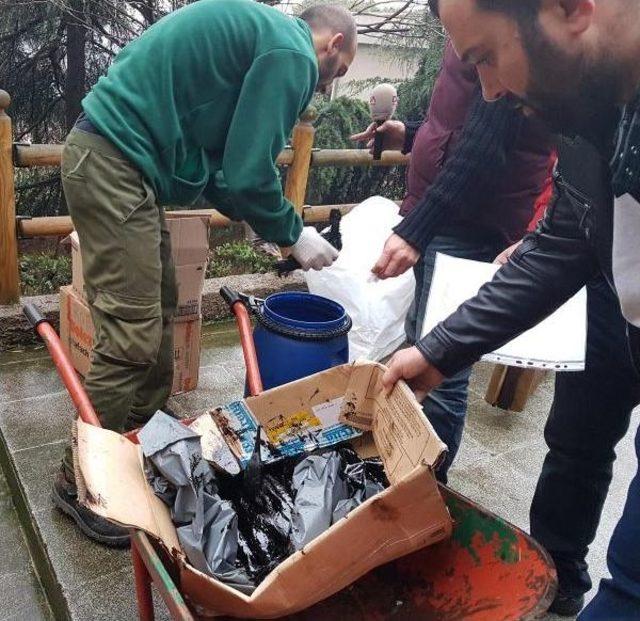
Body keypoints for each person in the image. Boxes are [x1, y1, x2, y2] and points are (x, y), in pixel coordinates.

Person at [55, 0, 357, 546]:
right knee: (132, 330)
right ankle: (83, 482)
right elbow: (247, 173)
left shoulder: (261, 41)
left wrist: (266, 223)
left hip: (121, 164)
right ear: (334, 43)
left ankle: (143, 432)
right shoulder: (291, 51)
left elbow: (224, 172)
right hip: (114, 161)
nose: (320, 87)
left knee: (161, 303)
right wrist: (292, 231)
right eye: (335, 74)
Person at [382, 1, 640, 618]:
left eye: (487, 59)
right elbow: (561, 244)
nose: (491, 93)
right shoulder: (591, 100)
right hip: (616, 309)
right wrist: (437, 350)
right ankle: (557, 584)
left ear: (571, 8)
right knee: (578, 448)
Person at [351, 40, 552, 481]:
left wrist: (416, 230)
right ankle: (403, 468)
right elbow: (462, 122)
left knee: (440, 364)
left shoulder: (505, 36)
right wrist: (415, 132)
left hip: (470, 221)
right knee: (420, 338)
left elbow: (484, 150)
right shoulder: (472, 28)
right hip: (443, 213)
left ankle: (426, 487)